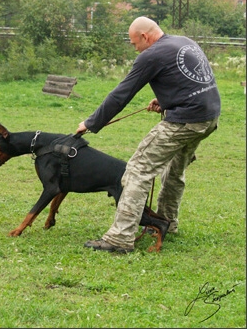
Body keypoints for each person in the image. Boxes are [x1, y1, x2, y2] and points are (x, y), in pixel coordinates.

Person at [76, 16, 221, 253]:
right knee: (174, 171)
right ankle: (167, 222)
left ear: (145, 37)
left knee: (137, 170)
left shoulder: (151, 55)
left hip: (186, 121)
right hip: (208, 118)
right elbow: (192, 82)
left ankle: (120, 239)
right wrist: (167, 101)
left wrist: (91, 123)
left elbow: (121, 94)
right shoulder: (183, 42)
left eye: (134, 44)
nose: (135, 49)